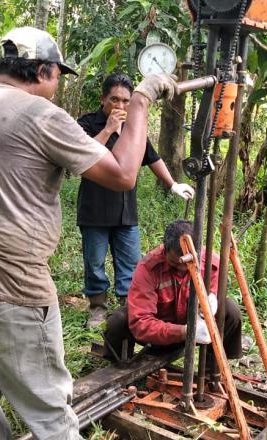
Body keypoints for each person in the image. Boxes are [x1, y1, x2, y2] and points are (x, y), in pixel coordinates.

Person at [0, 26, 178, 440]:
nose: (56, 84)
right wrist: (141, 100)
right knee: (50, 411)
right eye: (57, 75)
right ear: (44, 70)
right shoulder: (40, 115)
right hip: (16, 290)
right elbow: (122, 175)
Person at [77, 73, 195, 328]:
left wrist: (173, 184)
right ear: (103, 99)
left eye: (126, 101)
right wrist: (108, 129)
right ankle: (97, 307)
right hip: (93, 208)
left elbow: (152, 157)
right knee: (94, 262)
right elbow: (81, 156)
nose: (120, 106)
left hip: (125, 211)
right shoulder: (87, 123)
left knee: (130, 262)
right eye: (114, 100)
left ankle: (128, 307)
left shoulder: (134, 127)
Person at [104, 220, 242, 362]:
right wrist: (184, 332)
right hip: (159, 336)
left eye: (188, 265)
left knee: (230, 309)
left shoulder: (210, 262)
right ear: (165, 250)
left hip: (200, 332)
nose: (183, 269)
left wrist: (212, 298)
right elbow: (141, 322)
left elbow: (216, 288)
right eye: (175, 264)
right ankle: (117, 367)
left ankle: (213, 369)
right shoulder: (147, 269)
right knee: (118, 320)